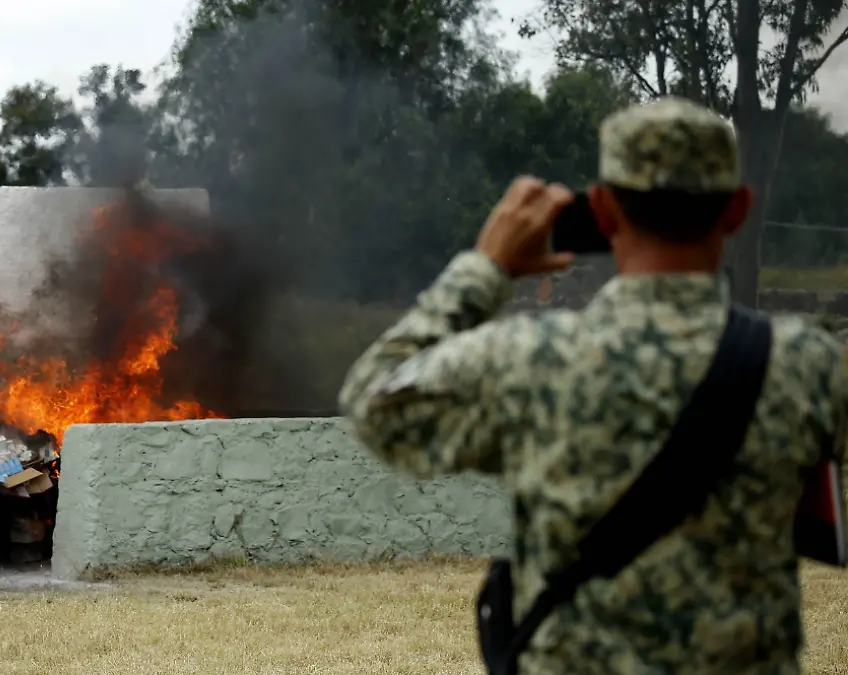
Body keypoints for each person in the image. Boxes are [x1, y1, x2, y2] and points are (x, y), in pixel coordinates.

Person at [338, 96, 848, 674]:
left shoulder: (529, 359)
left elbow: (373, 400)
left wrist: (485, 269)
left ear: (603, 212)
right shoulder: (809, 366)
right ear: (738, 210)